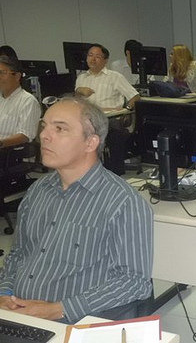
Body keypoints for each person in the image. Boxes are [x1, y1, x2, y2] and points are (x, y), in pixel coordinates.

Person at [0, 96, 153, 323]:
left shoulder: (123, 202)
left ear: (90, 143)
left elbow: (134, 282)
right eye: (45, 126)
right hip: (19, 313)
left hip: (72, 322)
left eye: (60, 128)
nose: (44, 135)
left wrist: (57, 309)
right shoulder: (38, 191)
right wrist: (5, 293)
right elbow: (19, 254)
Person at [75, 43, 141, 175]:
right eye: (90, 55)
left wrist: (125, 108)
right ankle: (85, 172)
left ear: (105, 60)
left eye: (97, 56)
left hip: (110, 120)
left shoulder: (114, 77)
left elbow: (135, 97)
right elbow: (77, 102)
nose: (93, 59)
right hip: (87, 120)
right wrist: (78, 91)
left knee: (112, 133)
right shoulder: (81, 78)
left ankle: (114, 173)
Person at [0, 55, 41, 148]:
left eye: (1, 73)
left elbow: (25, 135)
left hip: (11, 155)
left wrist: (1, 143)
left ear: (17, 76)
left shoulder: (28, 101)